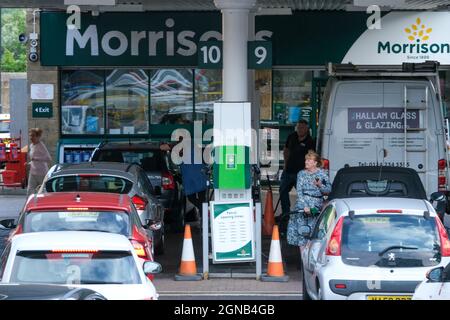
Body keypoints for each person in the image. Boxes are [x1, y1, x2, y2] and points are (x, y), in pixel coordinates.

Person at [287, 150, 331, 267]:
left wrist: (320, 185)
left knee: (314, 234)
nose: (306, 162)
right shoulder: (301, 174)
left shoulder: (322, 174)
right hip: (303, 205)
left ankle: (313, 261)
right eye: (306, 159)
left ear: (315, 163)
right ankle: (304, 263)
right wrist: (304, 206)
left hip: (317, 204)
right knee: (302, 232)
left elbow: (328, 190)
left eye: (309, 160)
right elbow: (299, 192)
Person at [278, 119, 315, 234]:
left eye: (302, 128)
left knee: (303, 195)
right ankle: (286, 214)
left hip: (301, 174)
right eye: (298, 127)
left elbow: (312, 157)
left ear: (307, 129)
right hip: (288, 171)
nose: (300, 130)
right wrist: (285, 165)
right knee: (282, 191)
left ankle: (302, 216)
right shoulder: (292, 137)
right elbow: (286, 150)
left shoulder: (310, 141)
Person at [27, 128, 52, 196]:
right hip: (33, 172)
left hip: (41, 173)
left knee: (43, 190)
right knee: (30, 190)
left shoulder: (41, 146)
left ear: (38, 137)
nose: (31, 138)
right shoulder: (31, 146)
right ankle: (30, 204)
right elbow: (33, 160)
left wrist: (36, 159)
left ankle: (44, 204)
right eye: (30, 136)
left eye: (33, 136)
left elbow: (49, 159)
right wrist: (29, 163)